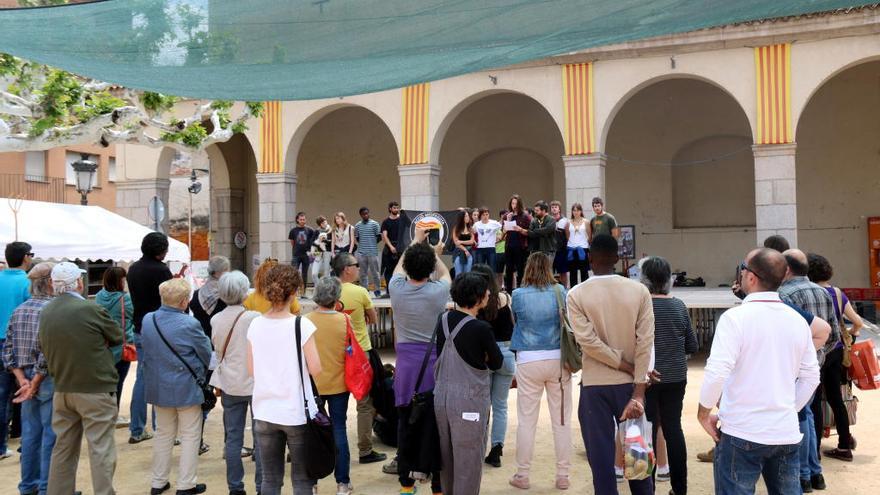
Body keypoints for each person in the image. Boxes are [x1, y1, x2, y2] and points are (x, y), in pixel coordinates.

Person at [698, 248, 820, 495]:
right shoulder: (797, 320)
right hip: (784, 432)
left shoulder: (735, 318)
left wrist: (703, 412)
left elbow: (717, 371)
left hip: (741, 431)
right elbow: (811, 376)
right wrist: (787, 408)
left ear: (751, 277)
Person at [566, 234, 654, 495]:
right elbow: (645, 342)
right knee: (638, 464)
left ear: (589, 258)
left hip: (595, 388)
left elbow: (589, 344)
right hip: (631, 388)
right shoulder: (639, 290)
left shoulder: (576, 294)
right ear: (618, 259)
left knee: (602, 465)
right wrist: (638, 388)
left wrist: (623, 364)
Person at [39, 261, 122, 495]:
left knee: (63, 448)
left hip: (62, 387)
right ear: (77, 282)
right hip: (95, 387)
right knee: (101, 449)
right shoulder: (90, 309)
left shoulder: (46, 312)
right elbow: (116, 335)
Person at [247, 264, 322, 495]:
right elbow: (316, 368)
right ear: (294, 292)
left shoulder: (255, 324)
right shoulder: (302, 324)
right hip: (295, 411)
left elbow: (251, 370)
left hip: (264, 410)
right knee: (301, 480)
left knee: (270, 480)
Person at [388, 229, 451, 494]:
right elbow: (446, 274)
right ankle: (437, 486)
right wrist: (435, 253)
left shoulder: (396, 288)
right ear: (428, 269)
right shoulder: (437, 292)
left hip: (406, 369)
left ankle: (406, 485)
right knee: (435, 431)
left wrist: (416, 240)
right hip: (433, 367)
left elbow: (400, 267)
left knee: (406, 428)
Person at [141, 278, 212, 495]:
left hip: (158, 384)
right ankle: (186, 484)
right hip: (186, 385)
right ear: (183, 302)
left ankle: (158, 481)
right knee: (190, 435)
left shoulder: (148, 319)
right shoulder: (189, 324)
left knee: (163, 433)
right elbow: (205, 353)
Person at [434, 272, 503, 495]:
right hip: (469, 402)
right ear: (479, 297)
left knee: (447, 459)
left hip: (441, 399)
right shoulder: (481, 328)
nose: (490, 293)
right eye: (486, 291)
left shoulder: (443, 320)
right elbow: (497, 362)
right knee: (469, 461)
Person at [509, 252, 572, 490]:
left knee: (526, 420)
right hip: (557, 358)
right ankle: (562, 475)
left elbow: (517, 321)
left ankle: (523, 474)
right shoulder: (560, 292)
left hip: (527, 358)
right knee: (561, 420)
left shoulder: (517, 295)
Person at [778, 248, 839, 491]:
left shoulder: (784, 294)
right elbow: (833, 333)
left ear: (787, 269)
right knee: (809, 415)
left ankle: (803, 475)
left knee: (799, 417)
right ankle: (815, 472)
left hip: (794, 367)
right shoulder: (823, 291)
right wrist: (818, 354)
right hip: (818, 363)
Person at [639, 256, 698, 495]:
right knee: (674, 429)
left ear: (644, 280)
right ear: (669, 280)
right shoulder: (679, 305)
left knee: (648, 430)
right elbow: (692, 346)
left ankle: (647, 487)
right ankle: (679, 488)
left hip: (647, 377)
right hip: (675, 376)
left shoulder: (641, 306)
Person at [330, 252, 386, 465]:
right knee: (364, 404)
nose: (359, 268)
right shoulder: (360, 292)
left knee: (336, 406)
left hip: (336, 355)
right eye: (356, 265)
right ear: (347, 269)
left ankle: (336, 451)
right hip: (360, 354)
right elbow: (373, 319)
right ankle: (365, 450)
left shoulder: (328, 289)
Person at [209, 271, 263, 495]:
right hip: (254, 381)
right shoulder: (255, 318)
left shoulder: (215, 319)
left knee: (233, 438)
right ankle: (262, 485)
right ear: (244, 291)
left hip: (229, 382)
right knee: (261, 437)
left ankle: (235, 487)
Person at [807, 252, 863, 463]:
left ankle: (815, 449)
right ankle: (844, 445)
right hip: (837, 351)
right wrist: (852, 338)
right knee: (836, 399)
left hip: (816, 349)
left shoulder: (809, 293)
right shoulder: (837, 293)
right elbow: (857, 322)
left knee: (813, 400)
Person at [4, 262, 54, 495]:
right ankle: (46, 486)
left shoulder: (20, 310)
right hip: (46, 378)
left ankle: (28, 485)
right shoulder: (52, 310)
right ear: (50, 282)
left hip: (25, 378)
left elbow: (8, 349)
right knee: (49, 434)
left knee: (31, 434)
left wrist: (21, 378)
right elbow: (47, 350)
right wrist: (33, 381)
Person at [306, 276, 354, 495]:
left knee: (312, 435)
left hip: (312, 386)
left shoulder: (304, 320)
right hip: (339, 384)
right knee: (339, 430)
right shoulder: (344, 321)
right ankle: (342, 484)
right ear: (336, 297)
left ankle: (312, 483)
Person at [127, 232, 174, 444]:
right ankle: (160, 427)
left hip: (139, 327)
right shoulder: (162, 271)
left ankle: (136, 428)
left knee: (142, 379)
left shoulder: (133, 269)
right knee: (162, 378)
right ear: (160, 250)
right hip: (160, 327)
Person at [470, 264, 516, 468]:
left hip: (485, 355)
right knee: (501, 406)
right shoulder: (505, 298)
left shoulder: (475, 303)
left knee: (482, 406)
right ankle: (497, 449)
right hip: (506, 354)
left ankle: (479, 448)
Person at [0, 241, 33, 460]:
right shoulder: (28, 283)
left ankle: (1, 446)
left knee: (2, 395)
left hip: (1, 340)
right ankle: (25, 444)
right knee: (28, 392)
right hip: (20, 343)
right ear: (24, 258)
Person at [94, 267, 135, 411]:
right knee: (119, 383)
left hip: (103, 346)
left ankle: (104, 411)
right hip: (122, 346)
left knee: (105, 384)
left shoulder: (99, 296)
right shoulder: (125, 299)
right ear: (120, 281)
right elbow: (132, 316)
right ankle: (114, 413)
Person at [189, 255, 231, 337]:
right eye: (226, 269)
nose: (229, 272)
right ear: (218, 272)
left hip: (200, 338)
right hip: (220, 341)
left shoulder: (196, 294)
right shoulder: (227, 296)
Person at [504, 195, 532, 291]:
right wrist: (507, 220)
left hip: (520, 246)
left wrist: (520, 229)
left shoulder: (525, 216)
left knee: (521, 269)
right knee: (508, 270)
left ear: (519, 204)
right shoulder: (508, 215)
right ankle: (508, 292)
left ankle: (521, 290)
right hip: (509, 246)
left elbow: (531, 231)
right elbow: (503, 232)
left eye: (516, 203)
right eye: (512, 203)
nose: (514, 205)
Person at [354, 207, 383, 297]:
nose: (366, 215)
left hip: (373, 252)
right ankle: (365, 290)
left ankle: (377, 290)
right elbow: (357, 238)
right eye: (364, 214)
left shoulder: (375, 224)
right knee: (363, 273)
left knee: (375, 273)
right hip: (361, 253)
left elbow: (379, 237)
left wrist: (372, 243)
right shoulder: (357, 225)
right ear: (361, 215)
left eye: (367, 213)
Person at [289, 212, 317, 290]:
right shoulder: (293, 231)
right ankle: (293, 290)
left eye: (304, 219)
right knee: (294, 273)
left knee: (304, 274)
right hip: (296, 255)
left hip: (306, 255)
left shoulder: (310, 230)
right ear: (297, 220)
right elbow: (292, 242)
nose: (302, 221)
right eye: (301, 219)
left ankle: (303, 291)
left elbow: (314, 241)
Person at [380, 201, 402, 297]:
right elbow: (384, 236)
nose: (396, 210)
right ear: (390, 209)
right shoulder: (386, 222)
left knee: (400, 270)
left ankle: (400, 290)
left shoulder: (401, 220)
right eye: (394, 208)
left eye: (397, 208)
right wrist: (391, 247)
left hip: (400, 248)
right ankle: (389, 291)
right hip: (389, 249)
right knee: (388, 271)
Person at [566, 203, 590, 286]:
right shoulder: (568, 222)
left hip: (583, 248)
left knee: (584, 272)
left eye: (578, 210)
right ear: (572, 211)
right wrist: (573, 243)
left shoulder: (586, 222)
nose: (576, 212)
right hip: (571, 248)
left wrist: (583, 243)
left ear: (581, 211)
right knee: (572, 272)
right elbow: (567, 235)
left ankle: (585, 291)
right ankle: (573, 291)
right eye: (574, 210)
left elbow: (590, 235)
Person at [550, 200, 569, 287]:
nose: (554, 209)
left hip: (561, 250)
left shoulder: (565, 221)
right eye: (552, 207)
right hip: (550, 250)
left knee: (563, 272)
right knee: (549, 272)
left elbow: (568, 236)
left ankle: (565, 289)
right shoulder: (548, 220)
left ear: (559, 209)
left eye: (556, 207)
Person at [451, 209, 476, 276]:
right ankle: (458, 286)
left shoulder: (470, 228)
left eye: (468, 216)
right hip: (459, 253)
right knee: (459, 274)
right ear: (462, 218)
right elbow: (456, 243)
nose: (468, 218)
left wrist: (461, 241)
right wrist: (465, 250)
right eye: (466, 216)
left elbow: (471, 242)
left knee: (468, 273)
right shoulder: (456, 228)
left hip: (469, 252)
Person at [311, 216, 333, 283]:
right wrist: (318, 245)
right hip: (318, 254)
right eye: (322, 223)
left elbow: (333, 242)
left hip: (328, 254)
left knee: (327, 274)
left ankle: (327, 289)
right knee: (314, 274)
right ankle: (318, 287)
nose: (324, 223)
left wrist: (326, 241)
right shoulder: (317, 231)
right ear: (319, 225)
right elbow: (311, 242)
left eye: (325, 221)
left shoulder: (331, 230)